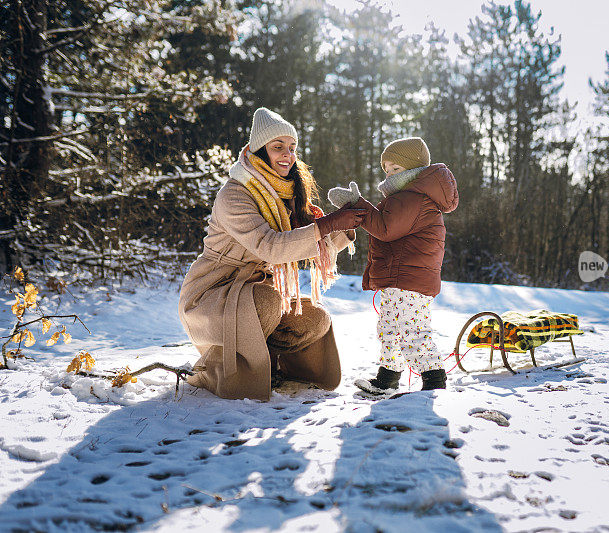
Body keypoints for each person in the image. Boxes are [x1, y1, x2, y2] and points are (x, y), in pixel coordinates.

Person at [178, 107, 366, 400]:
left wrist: (345, 227)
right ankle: (216, 371)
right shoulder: (235, 194)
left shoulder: (284, 194)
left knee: (315, 318)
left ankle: (272, 368)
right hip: (211, 295)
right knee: (269, 301)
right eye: (278, 147)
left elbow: (304, 245)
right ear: (259, 151)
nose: (287, 155)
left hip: (252, 293)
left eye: (292, 148)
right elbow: (272, 246)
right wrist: (328, 224)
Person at [327, 137, 458, 394]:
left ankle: (434, 378)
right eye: (386, 170)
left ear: (414, 169)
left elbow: (385, 228)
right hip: (399, 278)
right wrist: (358, 206)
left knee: (412, 330)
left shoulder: (414, 198)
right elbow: (386, 225)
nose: (389, 175)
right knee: (389, 328)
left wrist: (357, 204)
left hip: (409, 279)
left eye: (395, 169)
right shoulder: (405, 197)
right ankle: (388, 378)